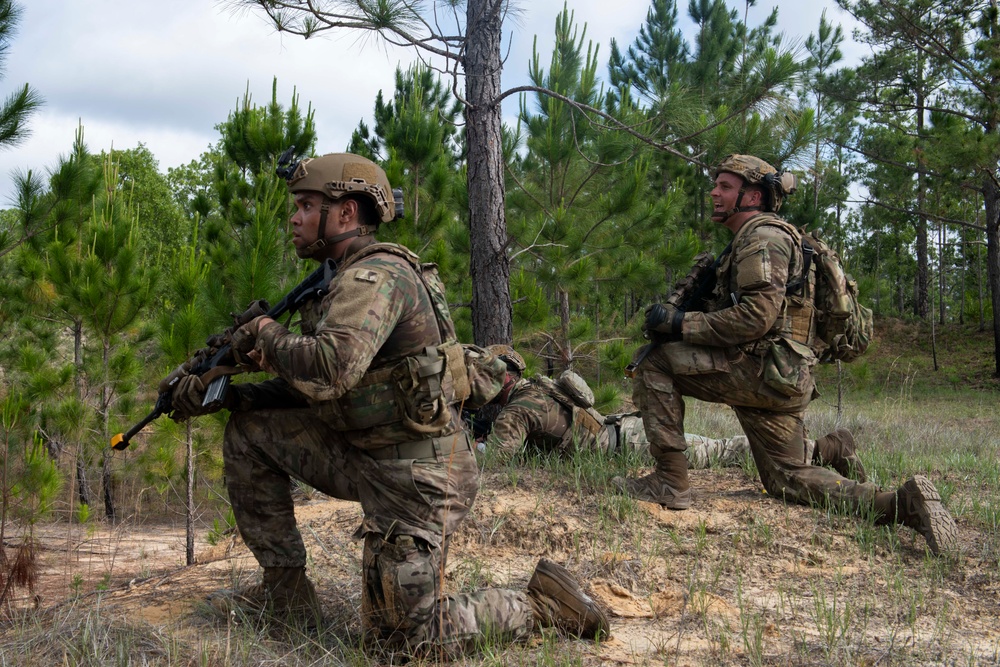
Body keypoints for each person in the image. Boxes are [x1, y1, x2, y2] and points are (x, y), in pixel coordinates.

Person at [167, 153, 608, 655]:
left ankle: (543, 605)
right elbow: (319, 390)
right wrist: (231, 396)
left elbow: (331, 367)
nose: (294, 217)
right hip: (365, 454)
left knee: (403, 643)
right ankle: (286, 595)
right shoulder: (336, 282)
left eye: (308, 205)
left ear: (347, 213)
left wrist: (265, 334)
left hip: (419, 477)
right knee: (250, 430)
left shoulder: (377, 277)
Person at [614, 154, 958, 556]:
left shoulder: (762, 238)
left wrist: (678, 324)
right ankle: (902, 504)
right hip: (780, 376)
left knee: (654, 362)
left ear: (753, 195)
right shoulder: (760, 240)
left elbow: (755, 318)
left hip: (758, 370)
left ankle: (670, 482)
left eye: (725, 186)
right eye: (716, 185)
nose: (714, 193)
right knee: (786, 478)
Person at [478, 345, 865, 479]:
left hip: (628, 444)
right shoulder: (536, 389)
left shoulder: (520, 408)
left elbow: (497, 458)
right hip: (623, 433)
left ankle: (826, 449)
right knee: (720, 449)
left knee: (724, 452)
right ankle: (823, 448)